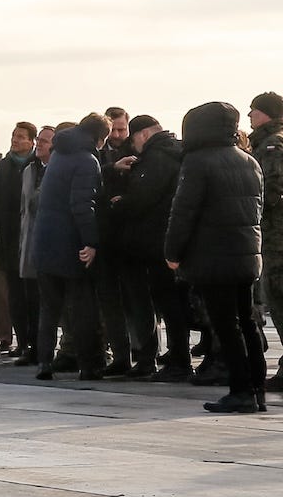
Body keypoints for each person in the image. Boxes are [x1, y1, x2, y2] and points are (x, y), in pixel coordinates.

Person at [165, 101, 266, 413]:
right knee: (247, 323)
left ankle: (240, 391)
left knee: (226, 326)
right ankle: (257, 390)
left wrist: (173, 252)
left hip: (213, 256)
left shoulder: (197, 161)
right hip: (246, 255)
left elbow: (183, 212)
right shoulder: (248, 160)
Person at [106, 113, 191, 380]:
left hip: (152, 244)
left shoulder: (157, 158)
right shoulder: (176, 152)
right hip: (167, 241)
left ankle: (175, 361)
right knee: (171, 304)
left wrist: (120, 202)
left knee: (166, 303)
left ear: (142, 134)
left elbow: (144, 197)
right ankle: (177, 357)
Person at [31, 112, 110, 381]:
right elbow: (82, 205)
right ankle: (88, 365)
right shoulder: (87, 161)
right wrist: (91, 242)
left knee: (49, 308)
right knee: (81, 308)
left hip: (44, 242)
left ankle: (44, 362)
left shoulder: (59, 156)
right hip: (71, 244)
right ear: (99, 138)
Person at [0, 121, 38, 358]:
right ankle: (21, 342)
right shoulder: (3, 167)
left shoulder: (37, 165)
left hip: (31, 239)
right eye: (13, 135)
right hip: (9, 240)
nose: (15, 140)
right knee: (15, 296)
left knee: (33, 295)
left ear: (32, 141)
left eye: (21, 137)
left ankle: (36, 341)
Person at [94, 106, 135, 375]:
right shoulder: (100, 155)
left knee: (135, 301)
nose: (119, 135)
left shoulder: (139, 151)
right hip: (107, 235)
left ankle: (141, 354)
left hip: (131, 236)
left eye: (122, 129)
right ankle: (120, 353)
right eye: (115, 130)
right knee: (109, 301)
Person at [250, 92, 283, 390]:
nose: (250, 116)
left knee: (278, 296)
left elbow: (271, 188)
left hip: (276, 237)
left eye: (254, 110)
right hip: (274, 234)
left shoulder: (273, 144)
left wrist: (254, 216)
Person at [13, 125, 54, 366]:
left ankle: (47, 350)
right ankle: (32, 346)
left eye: (45, 141)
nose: (40, 144)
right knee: (30, 300)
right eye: (39, 140)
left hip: (49, 244)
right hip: (29, 243)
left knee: (47, 301)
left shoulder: (58, 169)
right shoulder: (29, 170)